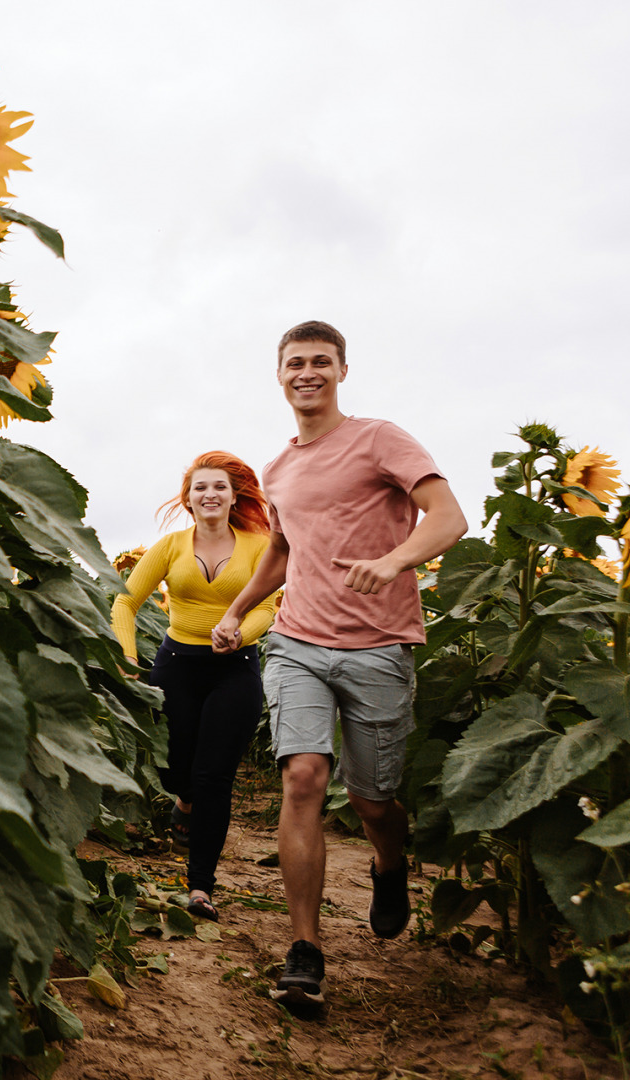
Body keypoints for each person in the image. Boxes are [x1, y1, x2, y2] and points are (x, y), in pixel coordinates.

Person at [213, 321, 467, 1008]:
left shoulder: (380, 438)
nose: (307, 372)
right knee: (302, 777)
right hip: (298, 642)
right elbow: (282, 551)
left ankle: (389, 862)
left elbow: (448, 518)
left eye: (320, 361)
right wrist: (237, 611)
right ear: (279, 374)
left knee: (371, 801)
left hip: (378, 648)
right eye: (295, 362)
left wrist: (392, 562)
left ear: (342, 371)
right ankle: (305, 951)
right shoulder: (280, 469)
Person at [111, 451, 280, 923]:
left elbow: (269, 607)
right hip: (175, 667)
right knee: (175, 770)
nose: (210, 494)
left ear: (234, 497)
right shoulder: (170, 547)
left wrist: (240, 633)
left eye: (220, 487)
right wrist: (126, 654)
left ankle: (201, 886)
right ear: (188, 499)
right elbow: (125, 602)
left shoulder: (258, 546)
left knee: (215, 778)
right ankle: (182, 803)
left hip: (235, 669)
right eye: (200, 487)